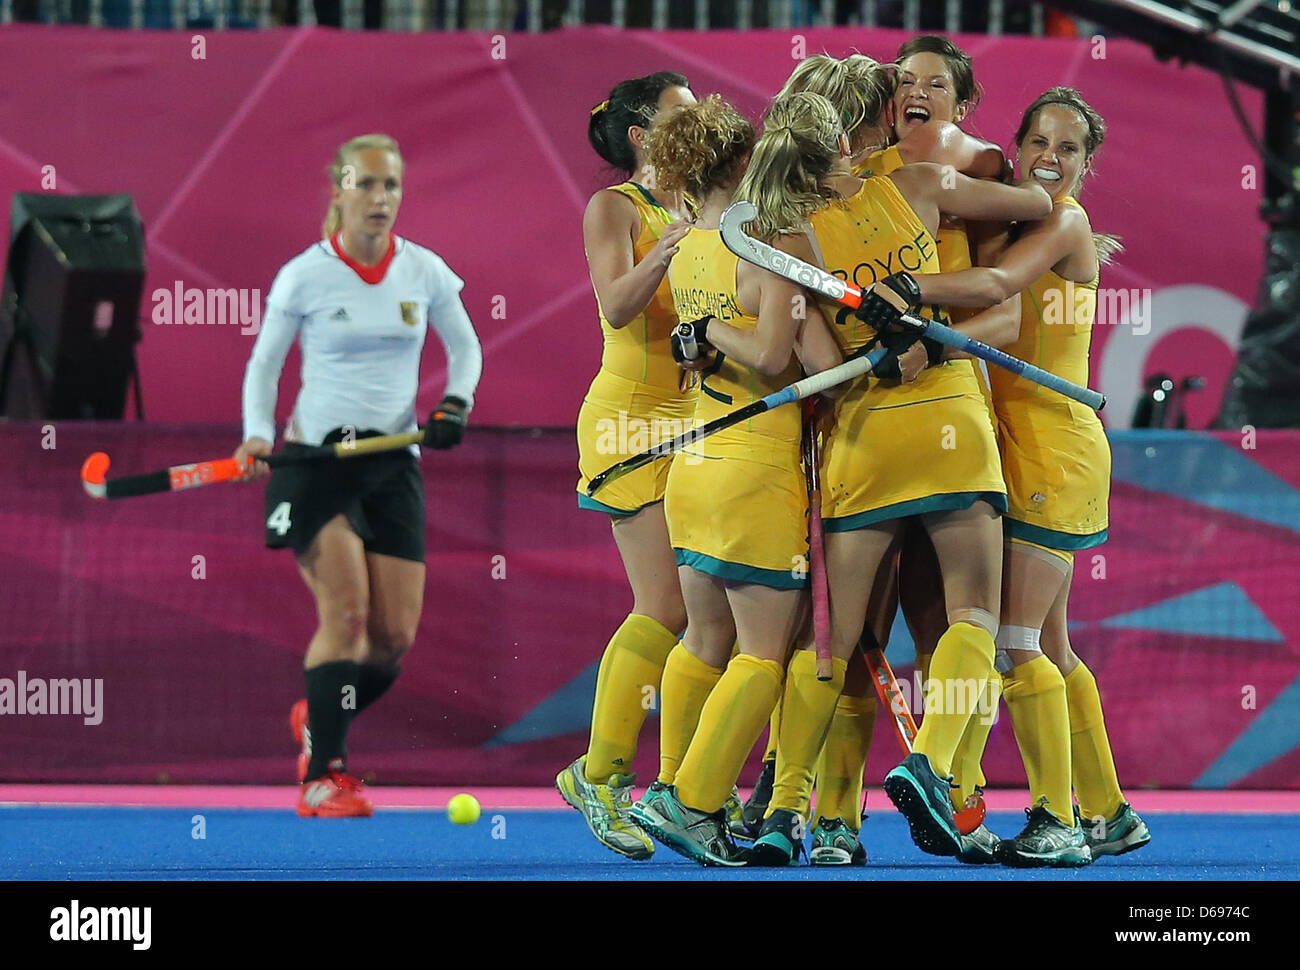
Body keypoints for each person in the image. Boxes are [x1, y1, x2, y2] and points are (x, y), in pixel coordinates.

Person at [736, 86, 1051, 864]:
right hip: (952, 427)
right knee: (973, 616)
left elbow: (827, 372)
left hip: (866, 440)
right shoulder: (919, 183)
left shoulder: (788, 236)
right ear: (852, 137)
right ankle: (934, 764)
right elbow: (1034, 207)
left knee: (831, 645)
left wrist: (872, 350)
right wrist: (925, 311)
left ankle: (784, 812)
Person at [887, 87, 1148, 865]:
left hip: (1053, 451)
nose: (1049, 158)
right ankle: (1106, 813)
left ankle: (1054, 819)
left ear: (1086, 164)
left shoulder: (1063, 222)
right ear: (1020, 143)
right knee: (1054, 649)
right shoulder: (1008, 219)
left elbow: (997, 293)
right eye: (1038, 141)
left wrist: (909, 293)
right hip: (1012, 446)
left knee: (1016, 641)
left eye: (1068, 149)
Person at [626, 93, 846, 867]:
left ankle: (664, 788)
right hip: (755, 466)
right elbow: (779, 358)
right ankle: (693, 803)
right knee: (761, 654)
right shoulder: (769, 239)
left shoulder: (684, 246)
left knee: (704, 638)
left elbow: (723, 339)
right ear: (747, 158)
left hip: (694, 463)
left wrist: (704, 330)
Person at [236, 133, 483, 818]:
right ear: (339, 190)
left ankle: (319, 718)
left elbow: (465, 348)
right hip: (316, 464)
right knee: (345, 617)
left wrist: (454, 404)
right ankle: (324, 775)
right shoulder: (305, 275)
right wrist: (258, 433)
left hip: (390, 464)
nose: (380, 198)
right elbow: (265, 365)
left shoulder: (424, 271)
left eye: (391, 186)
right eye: (366, 184)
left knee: (392, 641)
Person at [556, 72, 701, 860]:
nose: (704, 121)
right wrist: (675, 246)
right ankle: (601, 776)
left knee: (710, 613)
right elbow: (614, 304)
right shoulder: (616, 208)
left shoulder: (704, 204)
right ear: (643, 136)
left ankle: (681, 790)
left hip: (704, 424)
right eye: (684, 114)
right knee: (668, 606)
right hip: (629, 421)